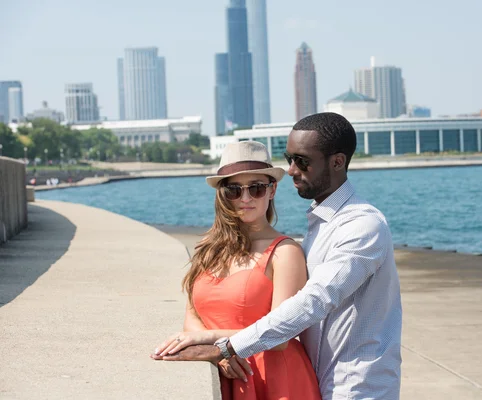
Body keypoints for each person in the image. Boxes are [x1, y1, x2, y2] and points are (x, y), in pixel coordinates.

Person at [153, 112, 403, 399]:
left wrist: (224, 345)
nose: (292, 170)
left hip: (357, 387)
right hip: (320, 380)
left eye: (302, 161)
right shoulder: (318, 226)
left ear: (337, 162)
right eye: (290, 159)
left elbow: (314, 301)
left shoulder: (362, 225)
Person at [152, 141, 321, 400]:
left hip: (275, 380)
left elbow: (281, 336)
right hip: (227, 373)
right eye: (233, 189)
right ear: (222, 194)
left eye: (256, 188)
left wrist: (220, 347)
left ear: (272, 190)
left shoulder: (285, 253)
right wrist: (219, 354)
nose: (245, 198)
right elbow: (192, 316)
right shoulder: (209, 250)